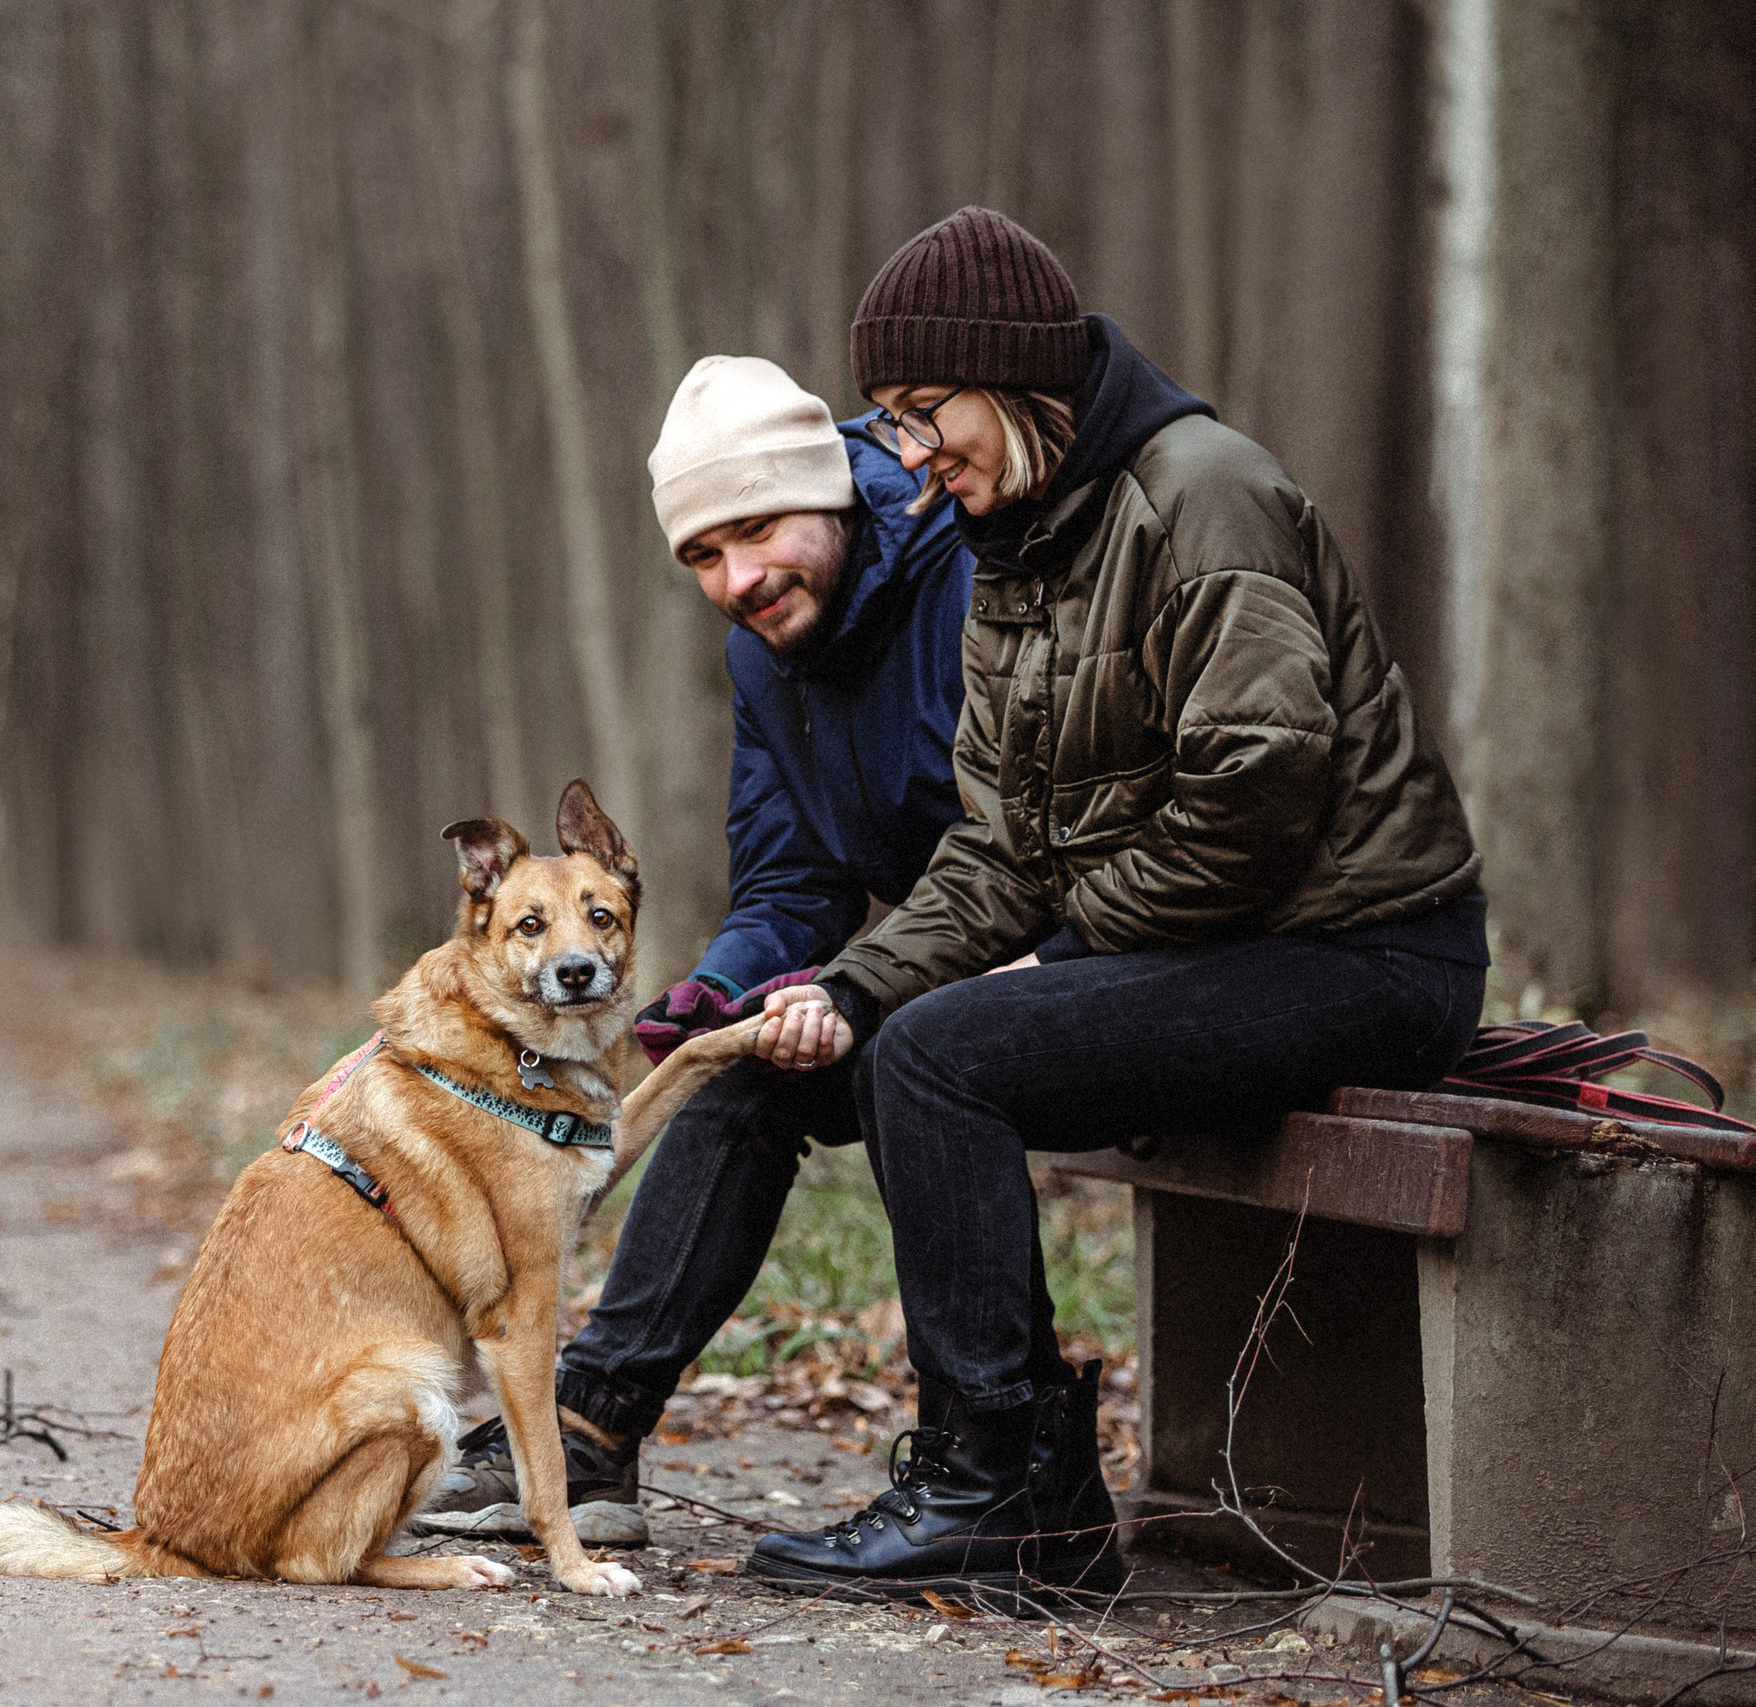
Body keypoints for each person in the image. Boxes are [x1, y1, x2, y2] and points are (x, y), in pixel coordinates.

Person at [723, 206, 1488, 1607]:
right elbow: (997, 846)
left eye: (918, 412)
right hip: (1230, 936)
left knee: (949, 1055)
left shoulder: (1204, 494)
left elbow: (1253, 802)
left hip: (1368, 949)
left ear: (1012, 376)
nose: (909, 453)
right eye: (889, 422)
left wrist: (1057, 953)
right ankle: (1017, 1485)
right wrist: (857, 979)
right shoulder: (1015, 544)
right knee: (907, 1033)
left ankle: (1000, 1484)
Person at [409, 353, 979, 1550]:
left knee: (909, 1053)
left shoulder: (966, 579)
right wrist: (716, 991)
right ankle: (590, 1435)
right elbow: (793, 880)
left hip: (1046, 957)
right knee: (738, 1051)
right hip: (923, 967)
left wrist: (876, 983)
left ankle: (985, 1461)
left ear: (822, 493)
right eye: (703, 558)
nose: (738, 580)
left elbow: (1029, 845)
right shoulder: (764, 658)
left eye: (757, 531)